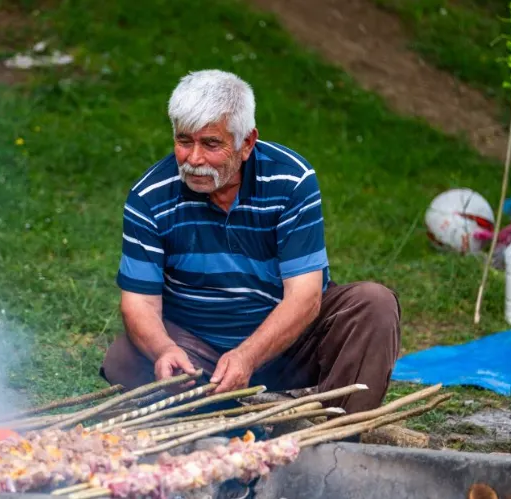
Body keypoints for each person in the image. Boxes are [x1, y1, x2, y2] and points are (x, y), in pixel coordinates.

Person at [99, 69, 401, 414]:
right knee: (125, 358)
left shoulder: (291, 180)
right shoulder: (149, 196)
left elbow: (304, 298)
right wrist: (164, 349)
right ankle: (231, 417)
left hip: (290, 346)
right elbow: (139, 304)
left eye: (211, 144)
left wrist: (248, 355)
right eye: (184, 141)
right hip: (199, 349)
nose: (194, 159)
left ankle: (333, 437)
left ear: (247, 143)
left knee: (374, 305)